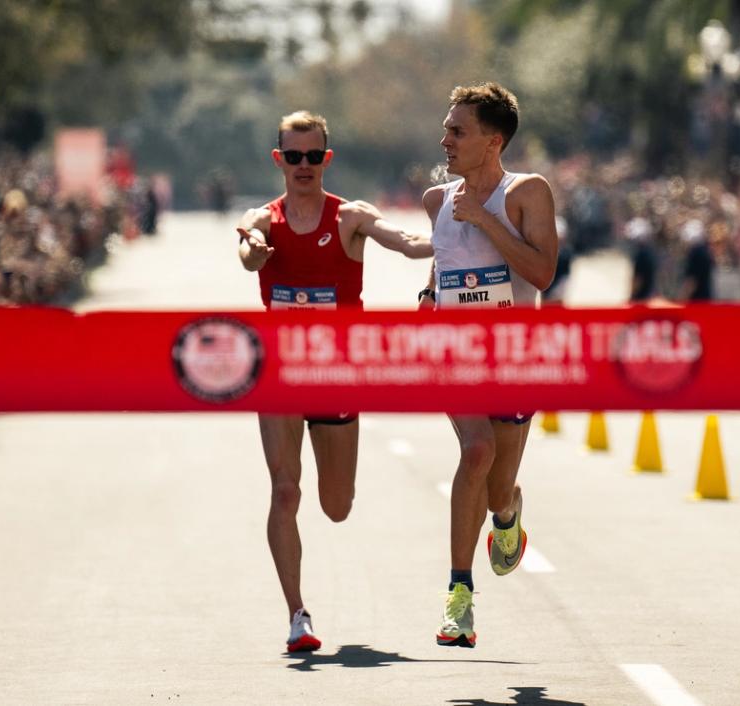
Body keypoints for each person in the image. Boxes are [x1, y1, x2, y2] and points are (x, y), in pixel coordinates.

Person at [235, 110, 432, 653]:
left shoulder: (350, 218)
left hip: (337, 373)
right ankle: (297, 615)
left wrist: (464, 236)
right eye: (293, 156)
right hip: (279, 371)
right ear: (279, 160)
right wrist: (254, 249)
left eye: (313, 156)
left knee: (336, 504)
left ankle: (307, 590)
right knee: (284, 488)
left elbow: (409, 242)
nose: (304, 166)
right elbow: (249, 253)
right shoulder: (266, 220)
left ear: (327, 158)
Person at [417, 83, 558, 648]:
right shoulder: (435, 201)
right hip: (458, 355)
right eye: (447, 128)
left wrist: (483, 218)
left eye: (458, 131)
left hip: (515, 358)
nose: (445, 139)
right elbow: (446, 266)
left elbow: (543, 273)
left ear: (492, 141)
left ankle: (508, 514)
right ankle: (459, 596)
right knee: (475, 452)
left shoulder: (527, 193)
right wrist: (428, 294)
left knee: (497, 486)